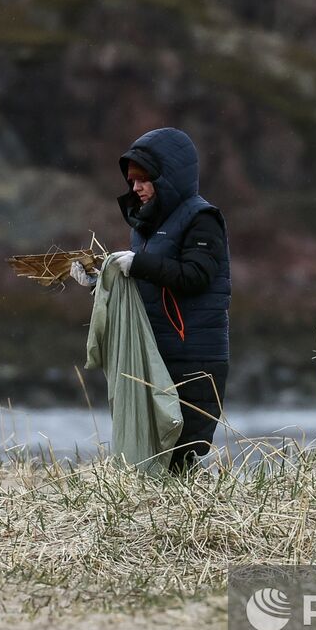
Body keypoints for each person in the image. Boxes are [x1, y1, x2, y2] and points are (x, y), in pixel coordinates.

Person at [70, 127, 230, 472]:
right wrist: (100, 282)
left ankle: (190, 521)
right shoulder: (144, 226)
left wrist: (137, 263)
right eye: (131, 181)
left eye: (143, 179)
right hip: (154, 356)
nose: (135, 188)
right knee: (156, 458)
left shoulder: (203, 220)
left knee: (180, 455)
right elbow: (145, 285)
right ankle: (162, 520)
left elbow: (195, 276)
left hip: (193, 359)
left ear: (169, 177)